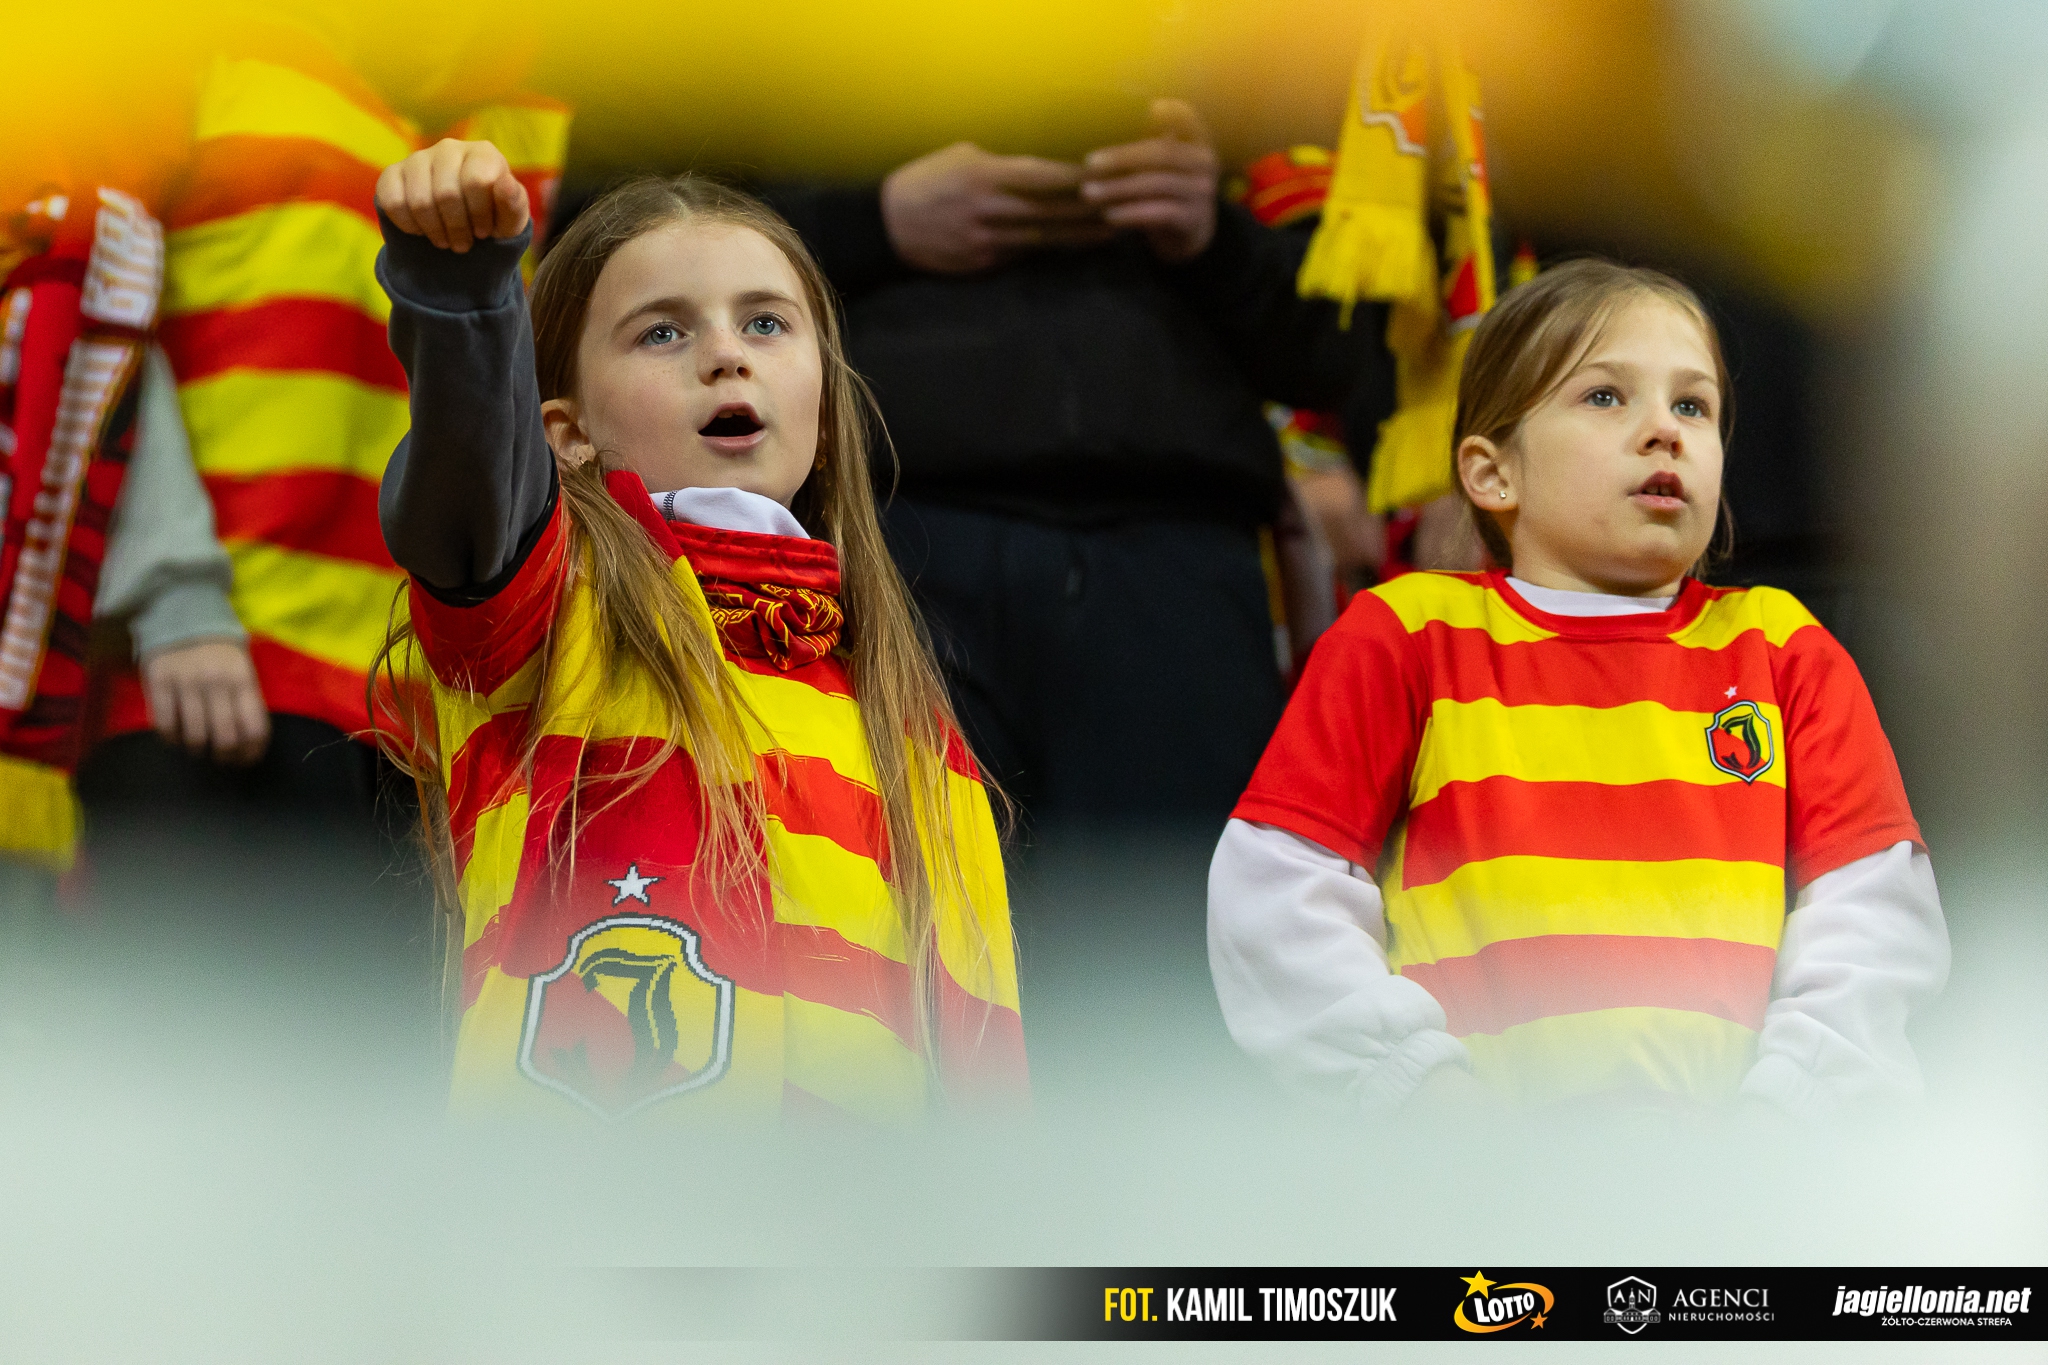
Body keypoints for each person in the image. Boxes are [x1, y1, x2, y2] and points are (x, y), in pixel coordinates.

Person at [371, 139, 1023, 1121]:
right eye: (661, 333)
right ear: (563, 434)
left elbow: (984, 1082)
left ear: (822, 410)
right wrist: (461, 301)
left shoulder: (909, 725)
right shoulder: (546, 614)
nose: (727, 353)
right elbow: (468, 485)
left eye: (766, 321)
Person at [1207, 259, 1949, 1117]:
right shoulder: (1406, 636)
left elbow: (1874, 913)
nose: (1663, 431)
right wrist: (1420, 1095)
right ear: (1493, 473)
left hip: (1732, 1164)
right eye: (1605, 396)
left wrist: (1787, 1114)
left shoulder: (1783, 648)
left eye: (1693, 406)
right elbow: (1276, 890)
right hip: (1469, 1165)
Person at [762, 101, 1393, 829]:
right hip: (892, 527)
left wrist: (1211, 235)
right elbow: (661, 233)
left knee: (1160, 899)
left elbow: (1338, 354)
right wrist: (875, 219)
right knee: (888, 890)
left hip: (1174, 556)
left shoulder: (1255, 67)